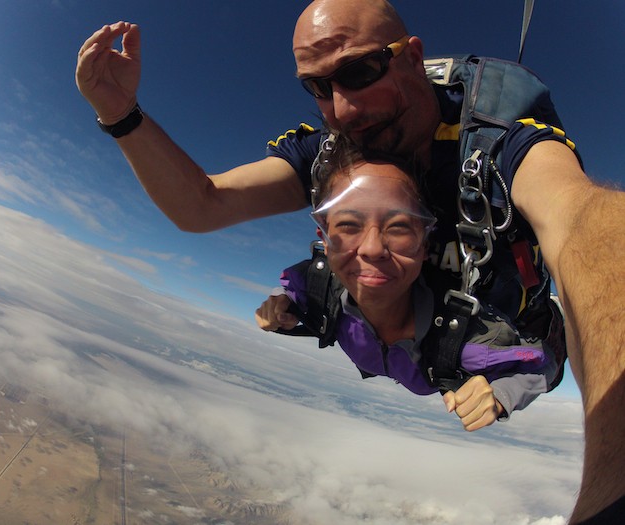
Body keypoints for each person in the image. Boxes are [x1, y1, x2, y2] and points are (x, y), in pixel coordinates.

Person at [76, 1, 625, 522]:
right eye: (318, 86)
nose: (343, 107)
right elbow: (204, 204)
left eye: (359, 71)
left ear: (412, 57)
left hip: (496, 334)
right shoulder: (329, 152)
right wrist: (121, 115)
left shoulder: (504, 148)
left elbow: (583, 223)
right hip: (419, 331)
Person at [255, 138, 561, 432]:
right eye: (349, 225)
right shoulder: (318, 285)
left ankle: (550, 311)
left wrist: (501, 395)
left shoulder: (466, 338)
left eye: (399, 227)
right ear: (325, 241)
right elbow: (293, 288)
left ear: (423, 245)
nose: (372, 249)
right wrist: (280, 303)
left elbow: (542, 365)